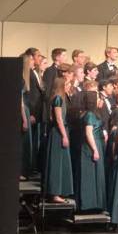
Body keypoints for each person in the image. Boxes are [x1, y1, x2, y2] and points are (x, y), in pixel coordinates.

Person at [42, 67, 74, 203]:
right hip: (58, 133)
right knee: (56, 163)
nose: (69, 87)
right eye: (67, 85)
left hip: (62, 132)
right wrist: (64, 135)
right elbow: (59, 119)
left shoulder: (61, 99)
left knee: (62, 163)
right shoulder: (57, 99)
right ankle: (54, 193)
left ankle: (61, 191)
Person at [76, 90, 106, 213]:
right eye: (98, 98)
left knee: (96, 175)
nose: (100, 100)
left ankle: (96, 204)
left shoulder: (94, 113)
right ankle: (88, 205)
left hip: (96, 144)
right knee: (89, 176)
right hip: (90, 147)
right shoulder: (89, 115)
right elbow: (89, 133)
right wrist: (95, 150)